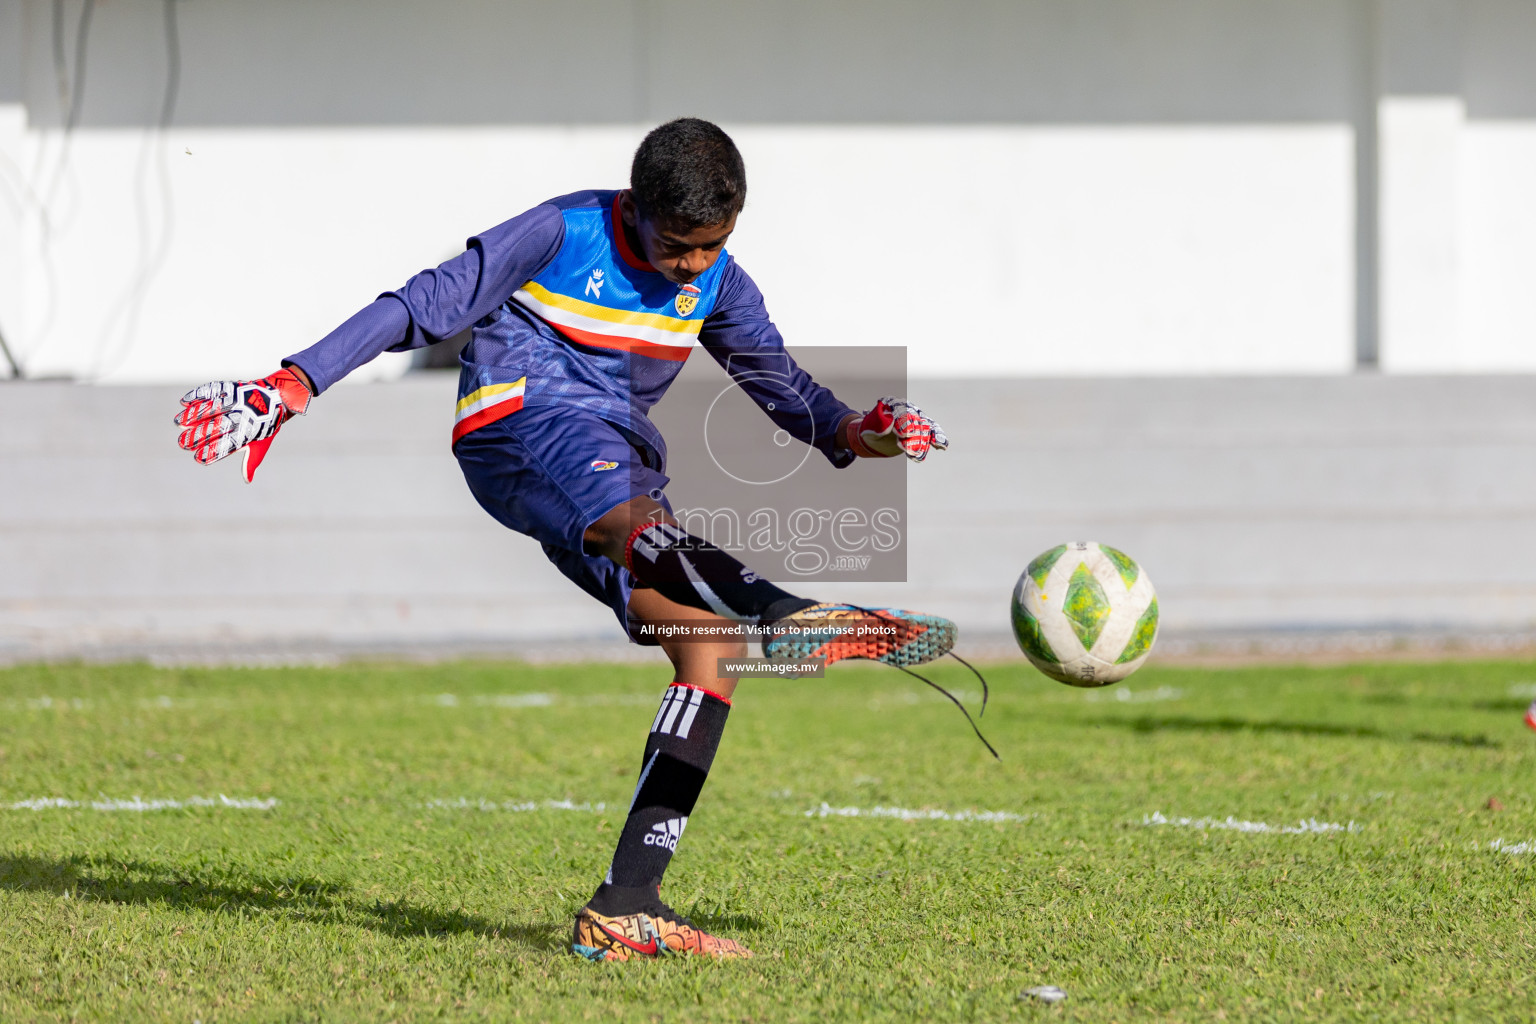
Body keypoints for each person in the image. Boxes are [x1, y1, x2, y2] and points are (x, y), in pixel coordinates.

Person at [174, 117, 953, 961]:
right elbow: (421, 304)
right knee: (649, 530)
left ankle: (624, 906)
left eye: (712, 244)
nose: (693, 263)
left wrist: (865, 431)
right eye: (677, 245)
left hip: (609, 460)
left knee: (707, 647)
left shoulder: (718, 282)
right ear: (637, 206)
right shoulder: (559, 231)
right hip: (518, 423)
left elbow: (786, 392)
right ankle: (784, 611)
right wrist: (295, 382)